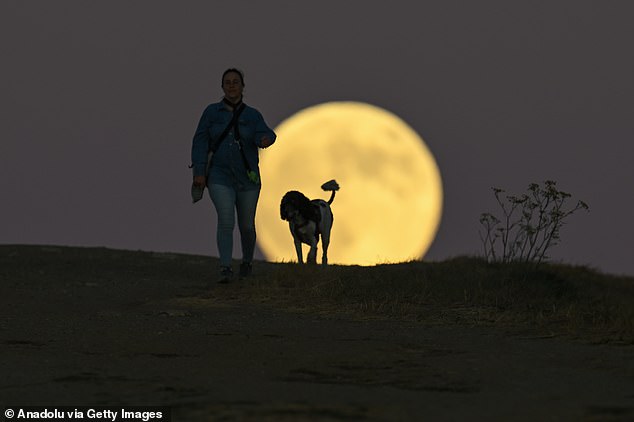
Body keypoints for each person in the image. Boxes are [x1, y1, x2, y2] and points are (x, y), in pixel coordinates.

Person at [191, 68, 276, 283]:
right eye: (227, 82)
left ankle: (247, 261)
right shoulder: (211, 113)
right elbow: (200, 141)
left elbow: (267, 133)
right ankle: (225, 267)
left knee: (247, 225)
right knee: (226, 220)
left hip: (248, 179)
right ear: (222, 87)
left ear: (242, 86)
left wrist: (264, 139)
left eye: (235, 82)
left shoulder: (252, 115)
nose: (231, 85)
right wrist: (199, 173)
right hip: (219, 176)